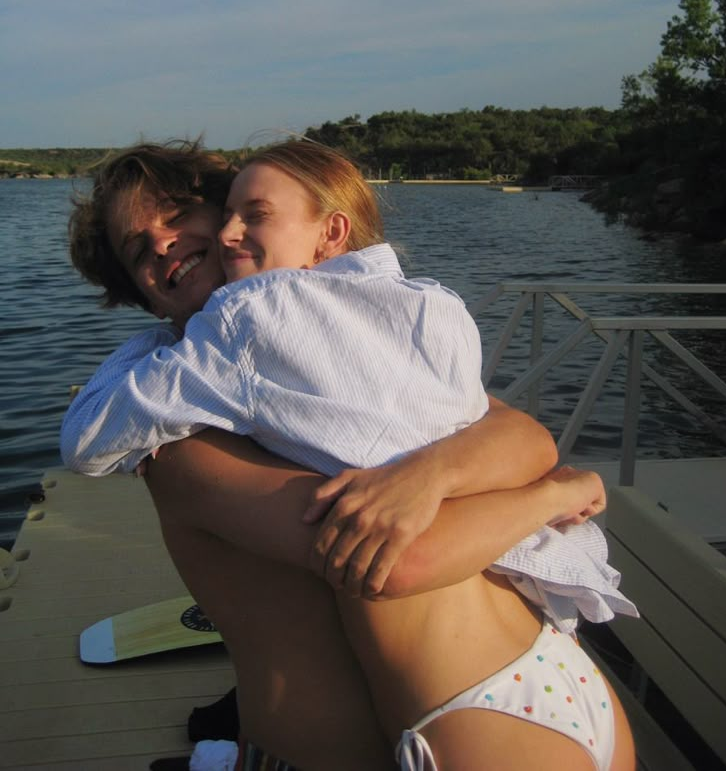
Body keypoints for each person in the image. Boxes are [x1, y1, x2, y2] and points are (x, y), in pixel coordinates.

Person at [63, 140, 635, 770]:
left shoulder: (345, 370)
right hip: (491, 705)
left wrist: (432, 471)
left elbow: (524, 436)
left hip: (491, 709)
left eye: (175, 216)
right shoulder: (179, 443)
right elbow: (393, 553)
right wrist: (551, 493)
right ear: (143, 296)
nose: (163, 244)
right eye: (137, 250)